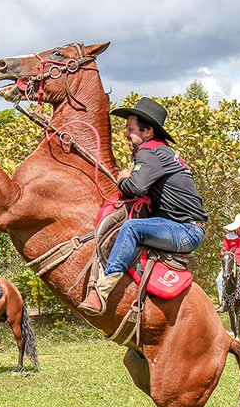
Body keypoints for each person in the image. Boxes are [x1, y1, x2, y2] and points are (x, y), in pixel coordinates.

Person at [78, 97, 207, 315]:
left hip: (185, 230)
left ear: (148, 132)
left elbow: (136, 187)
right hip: (184, 226)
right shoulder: (162, 151)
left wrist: (122, 178)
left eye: (130, 129)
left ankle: (102, 291)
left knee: (131, 228)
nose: (126, 134)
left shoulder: (149, 151)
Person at [215, 214, 240, 312]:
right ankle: (223, 303)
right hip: (231, 263)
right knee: (219, 279)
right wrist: (227, 255)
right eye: (239, 225)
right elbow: (223, 251)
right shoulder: (228, 236)